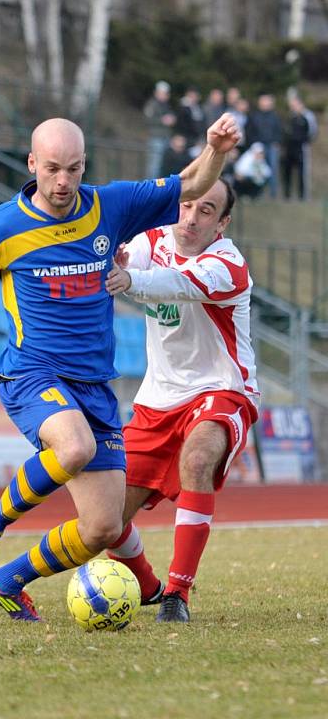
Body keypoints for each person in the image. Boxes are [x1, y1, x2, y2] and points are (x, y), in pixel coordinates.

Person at [0, 112, 240, 621]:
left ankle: (6, 582)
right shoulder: (1, 225)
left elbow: (190, 183)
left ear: (83, 166)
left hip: (95, 385)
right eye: (52, 168)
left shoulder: (109, 205)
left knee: (102, 528)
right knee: (74, 447)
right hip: (33, 374)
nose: (62, 181)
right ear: (32, 163)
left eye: (73, 169)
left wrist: (217, 150)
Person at [103, 178, 258, 623]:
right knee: (105, 519)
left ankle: (177, 594)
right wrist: (109, 259)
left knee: (198, 457)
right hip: (157, 398)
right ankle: (148, 586)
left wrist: (128, 277)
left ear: (222, 223)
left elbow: (177, 283)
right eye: (186, 205)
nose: (190, 218)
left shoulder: (229, 265)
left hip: (222, 387)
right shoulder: (151, 240)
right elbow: (116, 257)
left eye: (206, 211)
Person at [281, 95, 317, 201]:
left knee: (302, 173)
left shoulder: (308, 116)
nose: (293, 107)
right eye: (291, 105)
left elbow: (312, 132)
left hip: (301, 148)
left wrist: (304, 141)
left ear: (301, 104)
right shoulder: (290, 116)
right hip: (289, 149)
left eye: (295, 105)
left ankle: (303, 196)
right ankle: (287, 195)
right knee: (287, 172)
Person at [245, 94, 282, 198]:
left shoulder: (275, 116)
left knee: (273, 169)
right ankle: (258, 193)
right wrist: (254, 144)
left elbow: (279, 131)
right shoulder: (254, 116)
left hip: (271, 146)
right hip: (259, 147)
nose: (266, 103)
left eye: (268, 101)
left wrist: (277, 142)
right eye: (264, 101)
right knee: (258, 169)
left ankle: (273, 193)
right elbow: (249, 131)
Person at [143, 80, 176, 178]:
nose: (165, 95)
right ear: (156, 93)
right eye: (162, 93)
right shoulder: (152, 104)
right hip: (155, 138)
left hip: (165, 137)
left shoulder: (166, 106)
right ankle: (149, 188)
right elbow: (148, 119)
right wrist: (163, 120)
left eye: (166, 93)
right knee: (154, 165)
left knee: (162, 165)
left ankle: (159, 188)